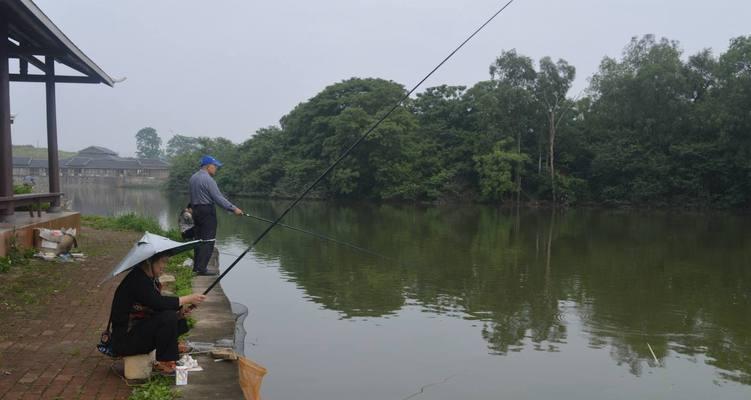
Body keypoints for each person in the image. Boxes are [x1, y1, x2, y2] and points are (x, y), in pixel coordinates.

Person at [109, 253, 206, 374]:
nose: (163, 267)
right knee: (168, 316)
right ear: (149, 262)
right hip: (125, 340)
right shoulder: (137, 280)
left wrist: (179, 313)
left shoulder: (147, 278)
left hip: (136, 332)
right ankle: (165, 361)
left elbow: (157, 306)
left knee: (172, 313)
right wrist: (187, 299)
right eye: (162, 262)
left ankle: (172, 347)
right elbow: (158, 303)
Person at [189, 155, 243, 276]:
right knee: (209, 240)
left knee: (199, 239)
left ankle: (196, 267)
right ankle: (202, 269)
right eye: (215, 166)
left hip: (196, 210)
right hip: (207, 211)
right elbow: (218, 198)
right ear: (208, 166)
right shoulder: (208, 180)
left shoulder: (193, 178)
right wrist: (234, 209)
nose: (216, 169)